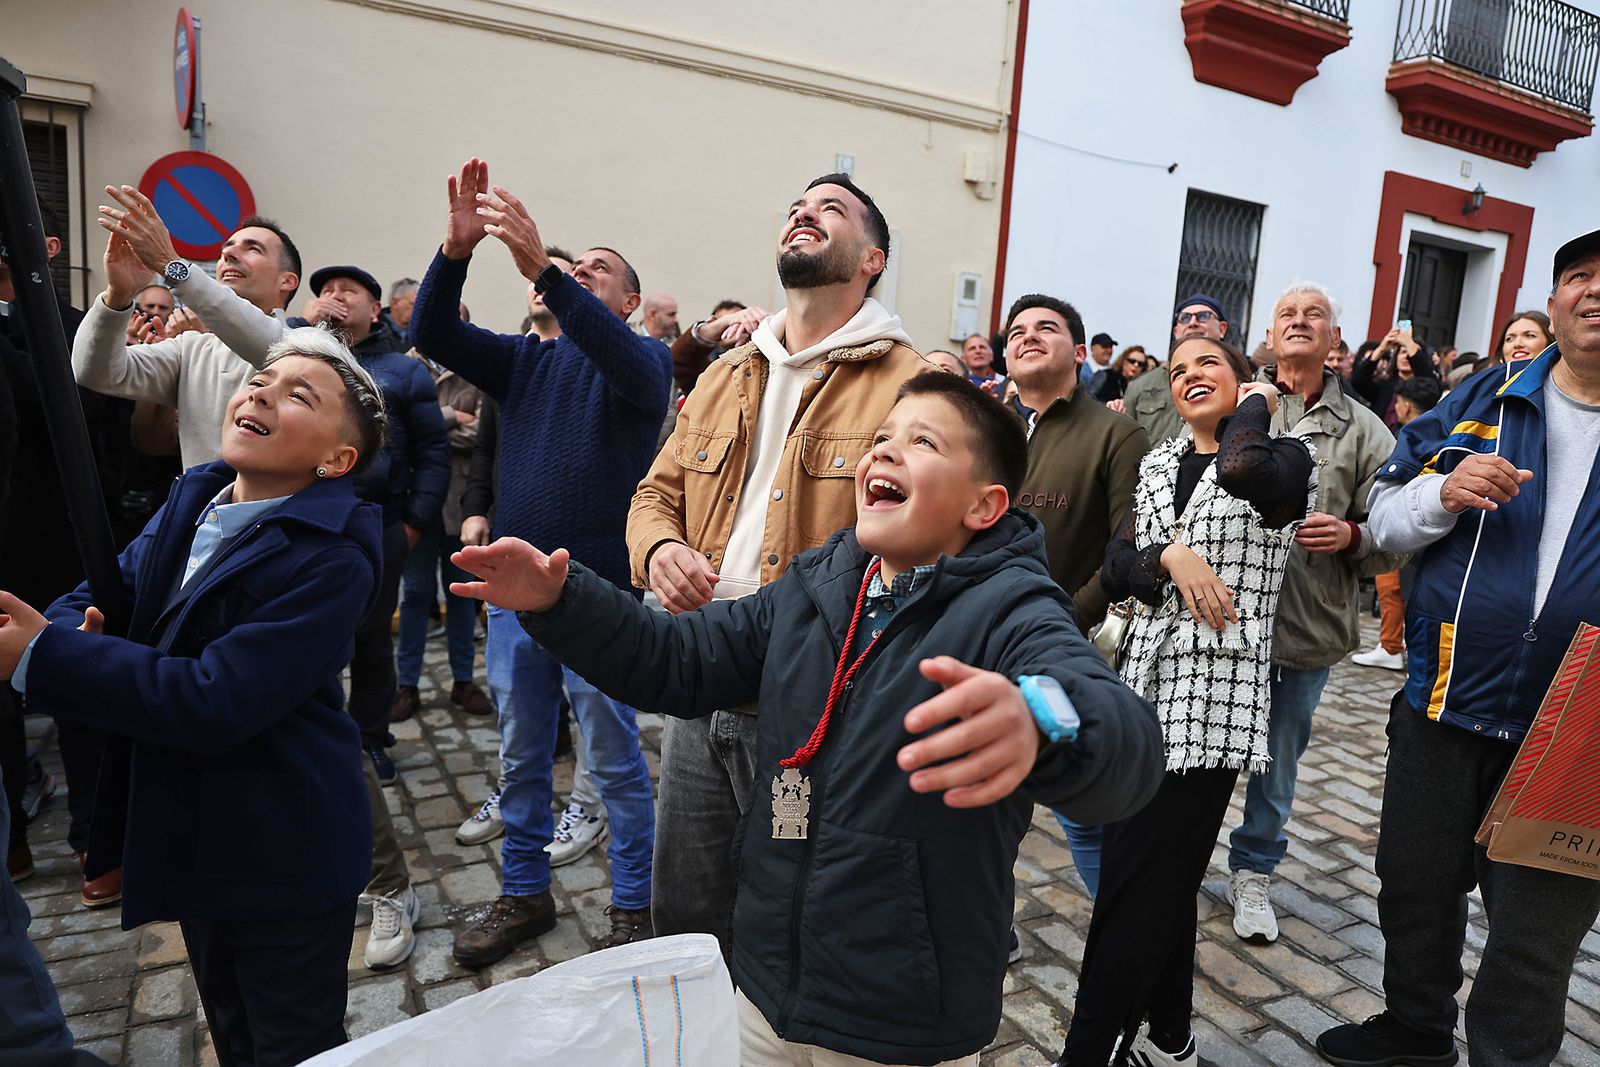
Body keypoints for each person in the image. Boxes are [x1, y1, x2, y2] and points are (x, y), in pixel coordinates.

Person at [455, 372, 1165, 1066]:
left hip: (898, 1023)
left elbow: (1119, 731)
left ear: (984, 506)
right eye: (882, 435)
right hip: (765, 988)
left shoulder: (1013, 607)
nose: (883, 450)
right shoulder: (819, 580)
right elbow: (678, 657)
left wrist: (1039, 719)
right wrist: (560, 600)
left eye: (922, 441)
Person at [0, 328, 387, 1065]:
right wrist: (64, 632)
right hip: (200, 829)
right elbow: (103, 590)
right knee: (233, 1030)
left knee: (292, 1044)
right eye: (263, 379)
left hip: (284, 847)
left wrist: (52, 656)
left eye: (300, 395)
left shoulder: (333, 558)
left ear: (335, 459)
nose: (264, 391)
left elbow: (214, 698)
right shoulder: (198, 496)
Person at [1316, 227, 1600, 1067]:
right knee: (1415, 883)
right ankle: (1415, 1026)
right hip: (1444, 698)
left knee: (1536, 926)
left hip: (1579, 733)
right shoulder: (1480, 400)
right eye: (1580, 276)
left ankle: (1509, 1058)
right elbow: (1384, 512)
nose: (1597, 292)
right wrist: (1443, 489)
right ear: (1553, 302)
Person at [627, 172, 926, 957]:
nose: (804, 212)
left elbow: (926, 553)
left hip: (811, 701)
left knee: (792, 910)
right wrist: (659, 549)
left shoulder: (912, 383)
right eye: (799, 205)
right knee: (686, 909)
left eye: (832, 209)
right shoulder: (728, 371)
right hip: (699, 673)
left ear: (871, 259)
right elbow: (654, 492)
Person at [409, 158, 671, 962]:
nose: (578, 272)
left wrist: (547, 271)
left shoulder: (644, 363)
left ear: (626, 302)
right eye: (572, 264)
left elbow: (621, 359)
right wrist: (455, 255)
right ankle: (523, 894)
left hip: (599, 599)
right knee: (521, 755)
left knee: (614, 758)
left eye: (600, 270)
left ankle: (634, 904)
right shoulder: (522, 361)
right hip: (517, 601)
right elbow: (432, 333)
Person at [1053, 339, 1313, 1067]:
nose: (1189, 375)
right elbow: (1117, 565)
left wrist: (1260, 397)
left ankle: (1088, 1050)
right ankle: (1171, 1040)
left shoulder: (1288, 460)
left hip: (1214, 697)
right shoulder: (1160, 462)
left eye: (1209, 364)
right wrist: (1169, 555)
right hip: (1142, 687)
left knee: (1136, 884)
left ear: (1243, 380)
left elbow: (1242, 465)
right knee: (1154, 878)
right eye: (1177, 371)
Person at [1223, 282, 1402, 944]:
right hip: (1220, 615)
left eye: (1314, 315)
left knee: (1278, 753)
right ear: (1269, 336)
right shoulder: (1237, 403)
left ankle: (1253, 870)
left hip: (1305, 622)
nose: (1299, 322)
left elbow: (1397, 530)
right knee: (1201, 744)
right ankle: (1177, 853)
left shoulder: (1367, 431)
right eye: (1286, 315)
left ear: (1335, 340)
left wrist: (1353, 535)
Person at [1006, 293, 1149, 897]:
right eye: (1017, 330)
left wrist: (1066, 618)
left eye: (1047, 327)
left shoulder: (1116, 434)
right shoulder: (980, 425)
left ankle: (1117, 951)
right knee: (977, 808)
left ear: (1079, 350)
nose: (1028, 336)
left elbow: (1129, 544)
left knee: (1084, 815)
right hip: (971, 638)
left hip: (1067, 645)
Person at [298, 265, 451, 779]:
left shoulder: (403, 370)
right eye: (326, 291)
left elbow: (433, 451)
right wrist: (303, 329)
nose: (335, 298)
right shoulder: (300, 357)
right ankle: (310, 735)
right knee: (306, 634)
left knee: (369, 640)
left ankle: (369, 737)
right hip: (307, 521)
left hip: (379, 524)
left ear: (374, 310)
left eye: (349, 291)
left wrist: (412, 525)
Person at [392, 300, 495, 723]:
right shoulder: (402, 368)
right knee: (415, 594)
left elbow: (482, 433)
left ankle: (462, 681)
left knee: (461, 596)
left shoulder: (477, 369)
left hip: (459, 501)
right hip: (415, 501)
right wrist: (452, 416)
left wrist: (427, 428)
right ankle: (407, 683)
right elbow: (394, 429)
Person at [1351, 375, 1442, 672]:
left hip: (1404, 522)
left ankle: (1390, 645)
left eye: (1398, 401)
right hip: (1423, 526)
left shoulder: (1411, 435)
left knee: (1390, 587)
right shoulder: (1440, 429)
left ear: (1405, 406)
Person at [1122, 295, 1227, 445]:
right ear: (1176, 331)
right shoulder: (1141, 385)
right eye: (1185, 318)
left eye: (1203, 316)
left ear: (1222, 329)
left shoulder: (1238, 382)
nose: (1192, 323)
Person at [1351, 324, 1439, 431]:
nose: (1406, 357)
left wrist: (1409, 344)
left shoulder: (1427, 389)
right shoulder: (1385, 386)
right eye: (1402, 352)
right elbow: (1357, 381)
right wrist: (1382, 348)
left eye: (1410, 352)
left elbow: (1431, 383)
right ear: (1396, 357)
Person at [1489, 308, 1555, 372]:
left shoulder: (1559, 382)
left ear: (1550, 342)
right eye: (1509, 339)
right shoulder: (1486, 381)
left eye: (1529, 336)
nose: (1517, 344)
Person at [962, 332, 1006, 397]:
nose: (978, 351)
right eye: (972, 348)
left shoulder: (1002, 387)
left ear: (992, 356)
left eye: (982, 347)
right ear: (963, 359)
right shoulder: (960, 385)